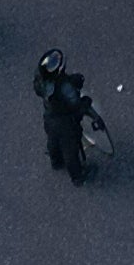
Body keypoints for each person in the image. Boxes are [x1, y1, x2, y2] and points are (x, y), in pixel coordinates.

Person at [34, 48, 108, 184]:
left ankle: (56, 161)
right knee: (70, 148)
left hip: (49, 118)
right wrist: (88, 106)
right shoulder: (65, 88)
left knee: (53, 140)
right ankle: (78, 176)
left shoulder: (41, 82)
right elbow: (76, 104)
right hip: (65, 122)